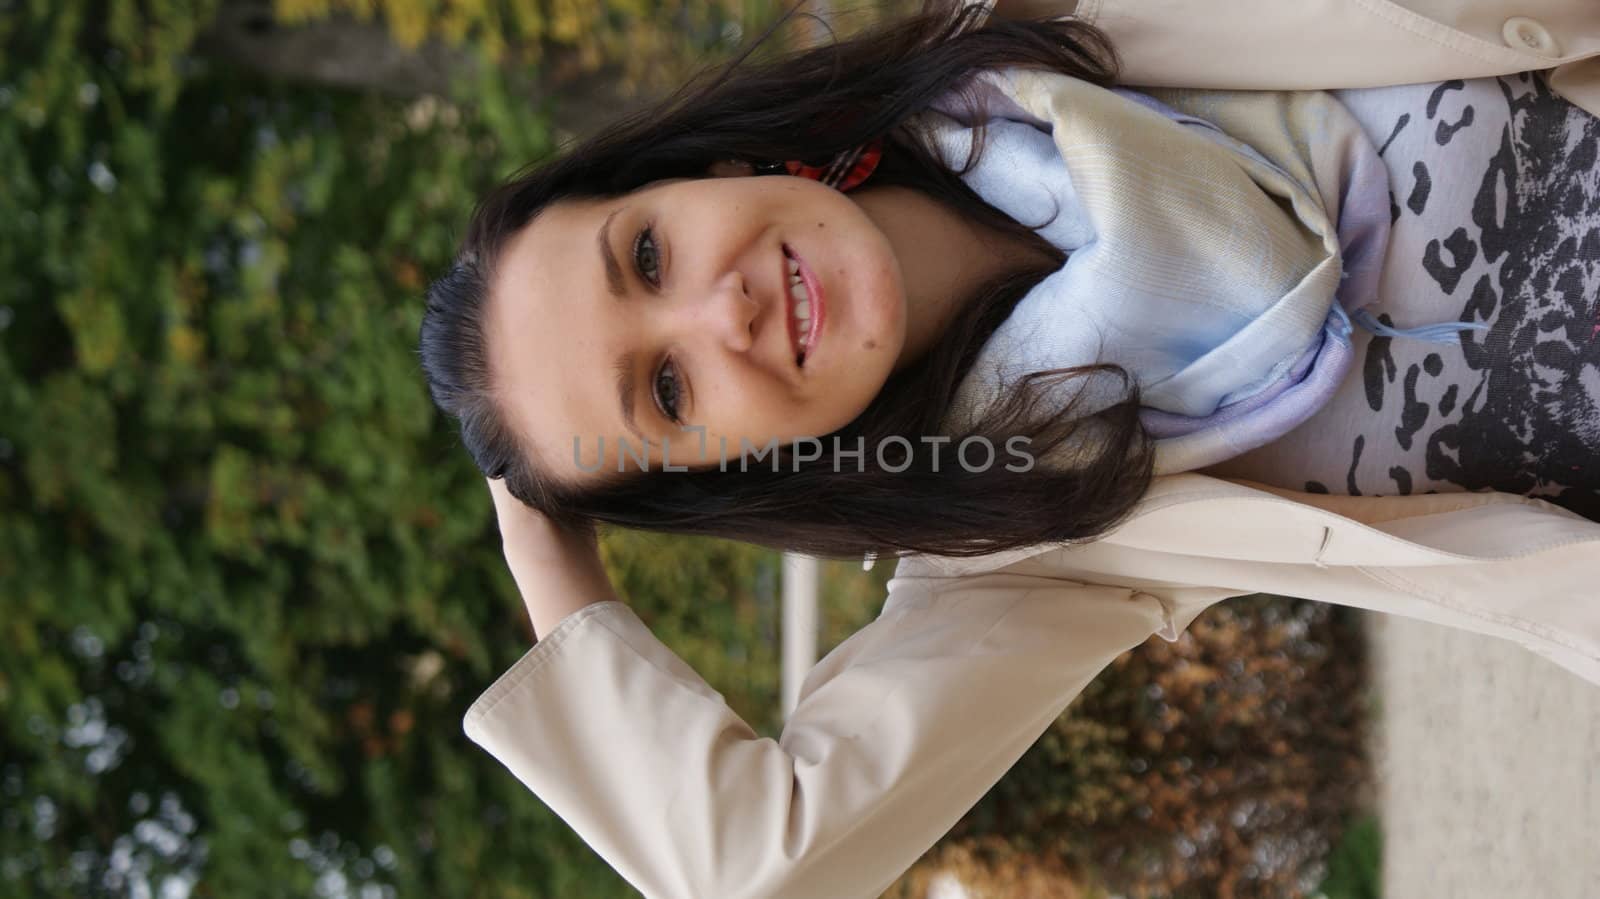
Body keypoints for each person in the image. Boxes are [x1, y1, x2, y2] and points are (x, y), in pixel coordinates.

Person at [417, 2, 1600, 896]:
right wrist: (544, 551)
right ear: (722, 464)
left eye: (648, 257)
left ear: (702, 171)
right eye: (668, 389)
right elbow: (761, 862)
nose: (720, 314)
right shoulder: (1024, 540)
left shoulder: (1049, 32)